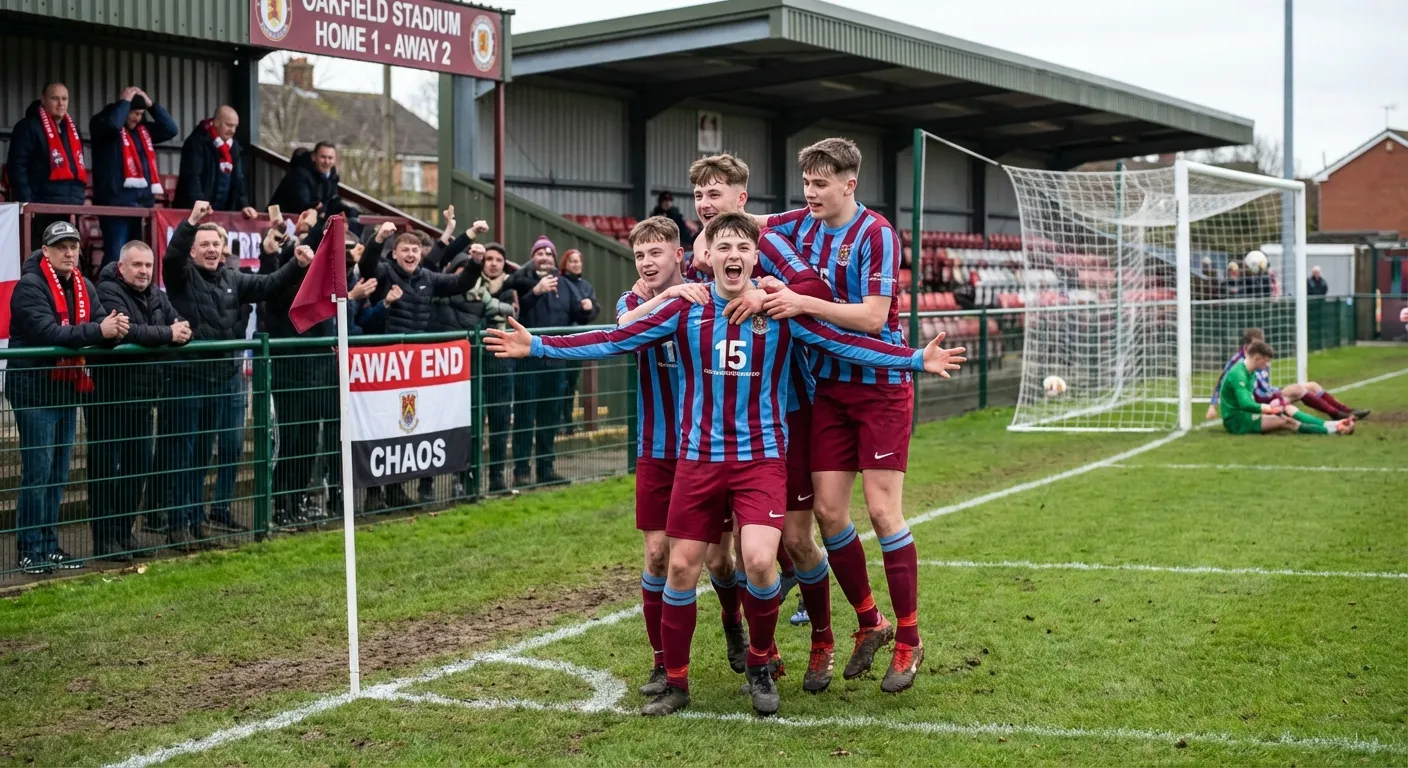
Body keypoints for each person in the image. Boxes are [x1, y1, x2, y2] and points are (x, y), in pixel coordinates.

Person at [485, 212, 964, 717]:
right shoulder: (684, 310)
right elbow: (613, 339)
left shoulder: (778, 313)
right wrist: (536, 345)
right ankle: (675, 681)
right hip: (697, 463)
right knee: (682, 567)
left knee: (759, 560)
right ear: (706, 257)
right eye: (723, 247)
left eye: (742, 247)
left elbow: (843, 343)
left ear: (755, 257)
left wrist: (913, 359)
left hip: (760, 462)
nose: (733, 255)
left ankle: (760, 661)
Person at [757, 137, 926, 693]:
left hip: (880, 388)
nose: (810, 193)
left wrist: (802, 302)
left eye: (821, 184)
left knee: (882, 513)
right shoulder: (799, 223)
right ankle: (870, 621)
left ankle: (908, 638)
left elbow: (875, 318)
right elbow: (752, 222)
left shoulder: (876, 233)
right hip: (829, 389)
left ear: (849, 184)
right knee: (829, 514)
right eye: (806, 183)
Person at [685, 152, 841, 681]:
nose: (707, 204)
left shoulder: (764, 242)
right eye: (700, 196)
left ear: (741, 200)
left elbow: (815, 291)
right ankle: (745, 635)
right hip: (711, 435)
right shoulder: (697, 254)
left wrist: (762, 291)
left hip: (782, 416)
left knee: (791, 542)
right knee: (714, 557)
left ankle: (820, 639)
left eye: (717, 194)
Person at [615, 216, 760, 697]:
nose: (647, 263)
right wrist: (667, 297)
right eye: (639, 255)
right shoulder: (637, 301)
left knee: (722, 562)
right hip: (659, 450)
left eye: (656, 253)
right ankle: (663, 666)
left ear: (681, 255)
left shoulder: (708, 294)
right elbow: (620, 328)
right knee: (659, 557)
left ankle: (733, 623)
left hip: (708, 450)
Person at [160, 201, 309, 548]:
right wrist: (192, 221)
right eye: (205, 245)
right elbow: (170, 258)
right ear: (193, 251)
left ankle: (197, 521)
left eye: (216, 245)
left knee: (202, 455)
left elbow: (269, 284)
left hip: (221, 379)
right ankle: (176, 525)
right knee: (182, 454)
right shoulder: (181, 277)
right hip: (187, 380)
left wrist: (296, 265)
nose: (212, 250)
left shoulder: (232, 277)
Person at [7, 221, 129, 573]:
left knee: (59, 473)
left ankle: (49, 544)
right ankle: (29, 548)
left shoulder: (83, 284)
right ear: (45, 251)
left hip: (66, 390)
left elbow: (100, 321)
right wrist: (99, 330)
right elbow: (49, 333)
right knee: (38, 473)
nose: (70, 252)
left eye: (74, 246)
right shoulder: (29, 287)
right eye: (62, 246)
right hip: (34, 393)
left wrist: (115, 330)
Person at [356, 222, 486, 507]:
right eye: (405, 249)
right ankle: (373, 495)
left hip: (413, 364)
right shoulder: (384, 272)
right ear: (395, 254)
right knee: (381, 427)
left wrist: (477, 263)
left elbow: (461, 283)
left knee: (406, 428)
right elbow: (366, 265)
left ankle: (396, 490)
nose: (411, 253)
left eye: (415, 249)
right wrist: (378, 238)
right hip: (383, 361)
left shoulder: (428, 276)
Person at [89, 242, 190, 560]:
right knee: (106, 471)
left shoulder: (156, 294)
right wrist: (165, 335)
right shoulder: (107, 290)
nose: (144, 271)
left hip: (146, 398)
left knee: (138, 469)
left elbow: (183, 328)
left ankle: (125, 534)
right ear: (122, 267)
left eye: (148, 265)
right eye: (137, 265)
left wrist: (165, 334)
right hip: (110, 397)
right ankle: (105, 540)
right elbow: (125, 332)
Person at [506, 235, 573, 487]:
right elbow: (517, 311)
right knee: (525, 415)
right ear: (532, 257)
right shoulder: (521, 282)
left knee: (550, 415)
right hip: (528, 360)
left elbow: (577, 310)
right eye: (539, 253)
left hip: (555, 359)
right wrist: (535, 291)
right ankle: (521, 471)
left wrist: (588, 308)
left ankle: (546, 469)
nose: (544, 257)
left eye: (548, 253)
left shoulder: (564, 283)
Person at [89, 87, 180, 262]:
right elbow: (113, 125)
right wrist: (124, 102)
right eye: (133, 113)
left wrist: (152, 105)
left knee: (135, 258)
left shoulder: (143, 130)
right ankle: (107, 289)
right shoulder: (102, 123)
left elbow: (171, 129)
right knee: (116, 257)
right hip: (114, 204)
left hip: (140, 205)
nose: (137, 118)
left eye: (140, 114)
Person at [1206, 328, 1368, 422]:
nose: (1261, 347)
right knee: (1299, 389)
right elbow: (1222, 380)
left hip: (1270, 392)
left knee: (1312, 385)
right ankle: (1336, 415)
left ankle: (1347, 410)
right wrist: (1212, 405)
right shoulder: (1238, 361)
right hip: (1261, 399)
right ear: (1248, 345)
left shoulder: (1261, 357)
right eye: (1257, 344)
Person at [466, 242, 519, 494]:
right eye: (489, 259)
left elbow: (512, 313)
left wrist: (486, 301)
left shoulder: (511, 286)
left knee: (500, 423)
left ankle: (497, 477)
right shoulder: (468, 279)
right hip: (473, 362)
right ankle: (469, 480)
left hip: (501, 361)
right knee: (471, 422)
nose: (493, 263)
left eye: (498, 259)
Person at [6, 83, 88, 243]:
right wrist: (28, 202)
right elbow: (17, 167)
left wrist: (79, 199)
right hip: (41, 204)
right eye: (55, 98)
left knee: (67, 253)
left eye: (64, 99)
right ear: (43, 100)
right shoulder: (28, 126)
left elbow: (78, 165)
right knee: (41, 252)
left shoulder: (73, 130)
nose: (61, 103)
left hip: (71, 204)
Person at [1218, 340, 1353, 436]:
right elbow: (1245, 403)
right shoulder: (1238, 374)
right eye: (1266, 360)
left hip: (1248, 413)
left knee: (1289, 410)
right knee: (1286, 421)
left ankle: (1332, 424)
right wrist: (1269, 409)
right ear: (1258, 358)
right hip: (1238, 421)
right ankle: (1335, 430)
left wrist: (1272, 406)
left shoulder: (1250, 371)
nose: (1268, 364)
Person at [173, 106, 257, 218]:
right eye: (228, 125)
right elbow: (192, 177)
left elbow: (238, 179)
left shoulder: (234, 147)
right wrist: (200, 204)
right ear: (216, 122)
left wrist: (244, 205)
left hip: (222, 214)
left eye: (235, 126)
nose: (232, 130)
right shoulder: (197, 142)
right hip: (194, 213)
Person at [267, 141, 362, 235]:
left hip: (308, 225)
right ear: (313, 157)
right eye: (323, 157)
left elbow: (332, 201)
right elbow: (303, 206)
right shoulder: (299, 175)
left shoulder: (331, 176)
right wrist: (321, 208)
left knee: (352, 223)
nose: (327, 162)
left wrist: (350, 211)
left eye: (330, 158)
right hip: (282, 224)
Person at [558, 248, 599, 433]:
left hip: (578, 342)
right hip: (561, 341)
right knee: (560, 383)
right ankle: (560, 421)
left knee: (571, 383)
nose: (575, 264)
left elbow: (595, 309)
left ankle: (567, 421)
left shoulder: (586, 286)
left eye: (578, 261)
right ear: (565, 264)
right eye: (571, 261)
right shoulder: (560, 282)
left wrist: (589, 309)